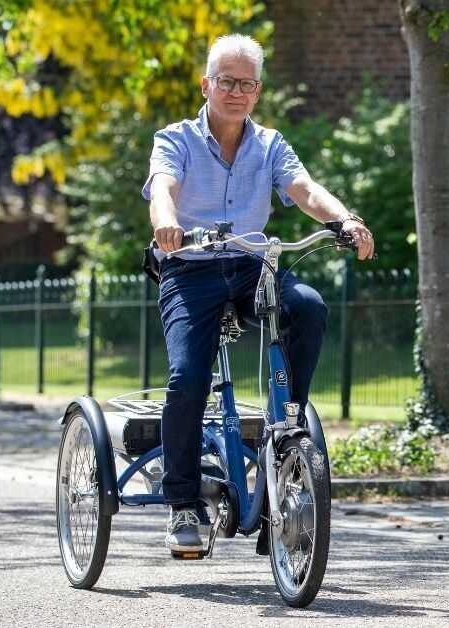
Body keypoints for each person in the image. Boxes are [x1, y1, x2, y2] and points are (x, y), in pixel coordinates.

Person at [142, 34, 374, 555]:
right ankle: (183, 503)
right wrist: (167, 222)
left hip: (252, 266)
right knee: (188, 377)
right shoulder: (175, 138)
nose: (236, 91)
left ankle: (286, 428)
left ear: (258, 91)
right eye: (226, 81)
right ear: (206, 85)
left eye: (246, 83)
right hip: (190, 268)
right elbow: (163, 186)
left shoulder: (270, 145)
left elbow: (304, 189)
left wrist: (345, 219)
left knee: (308, 305)